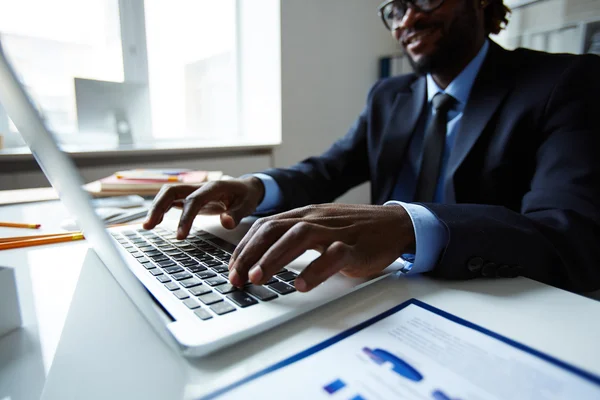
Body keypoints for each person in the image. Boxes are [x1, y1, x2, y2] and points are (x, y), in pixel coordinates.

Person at [144, 0, 600, 294]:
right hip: (378, 294)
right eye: (395, 8)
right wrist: (253, 187)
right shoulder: (389, 96)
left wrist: (409, 224)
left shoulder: (564, 83)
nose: (408, 20)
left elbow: (570, 234)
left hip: (494, 297)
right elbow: (328, 169)